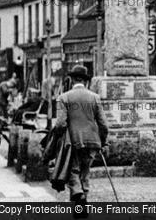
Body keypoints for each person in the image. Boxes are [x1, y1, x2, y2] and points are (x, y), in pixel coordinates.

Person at [53, 65, 108, 206]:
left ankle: (79, 195)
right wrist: (103, 141)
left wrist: (58, 138)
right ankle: (82, 201)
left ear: (71, 80)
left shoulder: (64, 98)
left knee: (73, 170)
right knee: (85, 170)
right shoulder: (95, 98)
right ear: (86, 81)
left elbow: (60, 124)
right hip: (92, 141)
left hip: (73, 141)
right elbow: (103, 124)